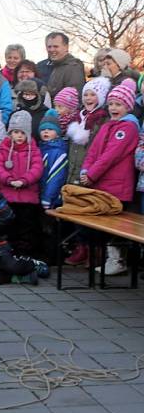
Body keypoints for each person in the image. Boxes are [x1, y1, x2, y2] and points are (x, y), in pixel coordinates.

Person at [80, 79, 140, 274]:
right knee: (103, 225)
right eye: (112, 104)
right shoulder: (107, 126)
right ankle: (108, 258)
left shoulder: (128, 128)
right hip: (101, 183)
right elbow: (94, 150)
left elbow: (111, 155)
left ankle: (117, 259)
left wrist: (92, 174)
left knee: (115, 224)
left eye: (119, 104)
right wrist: (85, 171)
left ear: (128, 107)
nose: (114, 108)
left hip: (117, 185)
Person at [62, 77, 111, 266]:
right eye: (86, 95)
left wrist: (90, 170)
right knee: (77, 209)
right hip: (74, 169)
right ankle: (81, 247)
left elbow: (98, 149)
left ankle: (94, 250)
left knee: (90, 210)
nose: (88, 98)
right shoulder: (77, 117)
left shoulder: (101, 119)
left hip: (90, 171)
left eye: (93, 94)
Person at [0, 111, 44, 258]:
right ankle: (8, 255)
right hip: (7, 197)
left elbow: (37, 168)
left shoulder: (34, 150)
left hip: (27, 198)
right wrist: (8, 179)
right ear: (10, 133)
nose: (19, 136)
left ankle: (25, 256)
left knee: (26, 229)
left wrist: (24, 180)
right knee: (8, 228)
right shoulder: (3, 148)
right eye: (15, 132)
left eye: (22, 132)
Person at [38, 111, 68, 265]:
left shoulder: (58, 151)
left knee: (51, 229)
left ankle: (54, 257)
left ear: (57, 132)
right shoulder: (41, 149)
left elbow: (56, 177)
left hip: (51, 199)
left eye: (49, 129)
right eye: (43, 129)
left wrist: (47, 198)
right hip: (41, 195)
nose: (46, 132)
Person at [38, 32, 85, 98]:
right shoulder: (41, 66)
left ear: (66, 47)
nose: (52, 50)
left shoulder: (73, 67)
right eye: (49, 47)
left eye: (56, 46)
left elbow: (73, 97)